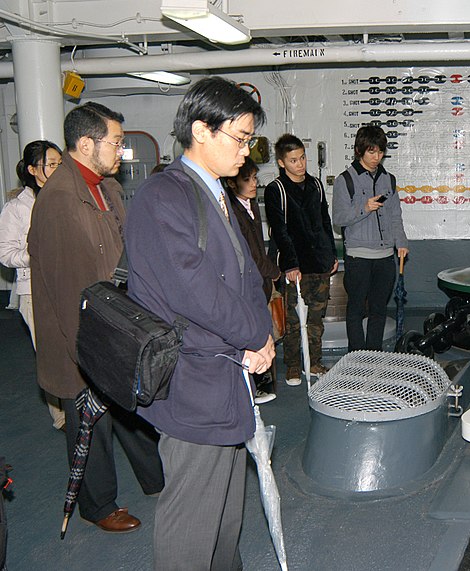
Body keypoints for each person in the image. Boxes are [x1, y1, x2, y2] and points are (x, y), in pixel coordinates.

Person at [125, 77, 275, 570]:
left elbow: (247, 273)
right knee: (191, 521)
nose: (246, 152)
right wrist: (253, 335)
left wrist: (264, 335)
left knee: (226, 514)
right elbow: (197, 293)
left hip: (226, 375)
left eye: (250, 140)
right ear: (201, 131)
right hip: (192, 384)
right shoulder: (161, 198)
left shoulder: (213, 193)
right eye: (240, 138)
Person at [27, 103, 163, 533]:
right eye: (117, 143)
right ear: (86, 144)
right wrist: (91, 356)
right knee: (92, 429)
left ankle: (156, 478)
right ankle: (98, 505)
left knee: (133, 410)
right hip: (85, 338)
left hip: (117, 323)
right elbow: (67, 292)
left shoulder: (107, 187)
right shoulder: (60, 201)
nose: (121, 152)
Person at [0, 139, 65, 430]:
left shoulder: (64, 197)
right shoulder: (17, 208)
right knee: (49, 355)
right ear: (32, 169)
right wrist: (36, 254)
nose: (57, 169)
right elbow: (5, 254)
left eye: (60, 164)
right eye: (51, 164)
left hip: (66, 286)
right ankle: (61, 417)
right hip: (33, 291)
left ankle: (78, 408)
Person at [265, 134, 338, 385]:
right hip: (293, 268)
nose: (300, 164)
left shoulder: (316, 185)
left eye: (303, 158)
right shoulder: (276, 190)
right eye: (294, 160)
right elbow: (279, 231)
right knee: (294, 321)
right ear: (282, 163)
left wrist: (332, 255)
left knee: (316, 319)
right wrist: (290, 265)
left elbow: (324, 222)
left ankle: (314, 362)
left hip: (319, 263)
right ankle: (294, 365)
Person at [332, 125, 408, 352]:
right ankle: (356, 356)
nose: (377, 157)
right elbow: (339, 218)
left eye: (381, 152)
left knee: (379, 310)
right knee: (355, 310)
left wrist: (401, 242)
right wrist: (364, 207)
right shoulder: (345, 180)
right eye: (371, 152)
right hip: (358, 257)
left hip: (385, 257)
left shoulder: (389, 179)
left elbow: (395, 215)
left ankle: (373, 355)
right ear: (359, 151)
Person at [224, 156, 281, 401]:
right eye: (247, 179)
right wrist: (274, 271)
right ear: (233, 183)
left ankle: (265, 381)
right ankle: (255, 385)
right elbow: (249, 254)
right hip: (248, 281)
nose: (253, 183)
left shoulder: (252, 205)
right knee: (253, 332)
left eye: (255, 178)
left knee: (265, 328)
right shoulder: (233, 211)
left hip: (261, 280)